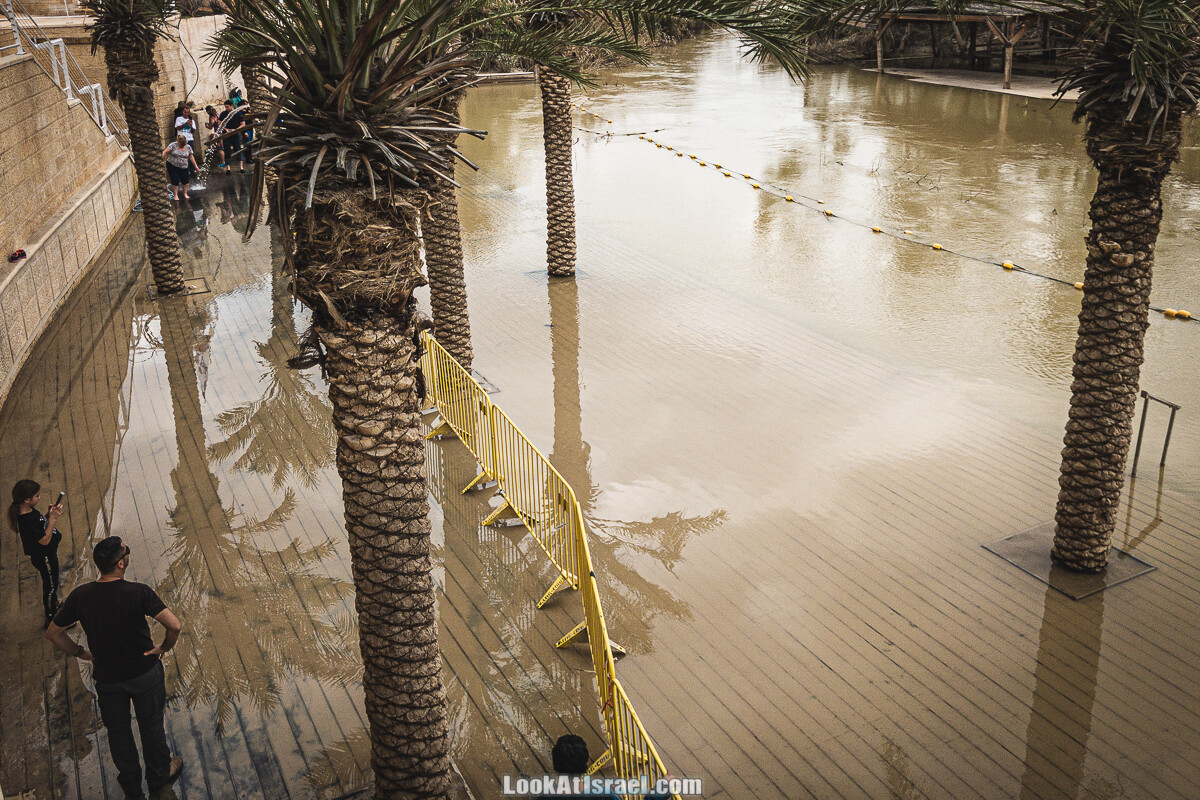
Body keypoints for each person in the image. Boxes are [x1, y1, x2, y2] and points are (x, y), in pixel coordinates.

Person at [45, 536, 184, 800]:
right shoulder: (139, 592)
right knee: (152, 726)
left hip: (108, 679)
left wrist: (81, 653)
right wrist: (163, 648)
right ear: (121, 564)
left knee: (119, 733)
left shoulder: (80, 596)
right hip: (145, 673)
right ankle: (159, 776)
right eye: (126, 552)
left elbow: (53, 633)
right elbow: (174, 625)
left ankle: (132, 788)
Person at [10, 479, 66, 627]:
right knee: (51, 585)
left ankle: (53, 604)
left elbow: (41, 525)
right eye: (37, 496)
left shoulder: (29, 510)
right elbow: (44, 539)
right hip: (44, 557)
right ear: (27, 500)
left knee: (52, 582)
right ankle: (51, 617)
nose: (39, 498)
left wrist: (48, 514)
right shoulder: (25, 520)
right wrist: (53, 519)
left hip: (48, 554)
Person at [162, 135, 198, 200]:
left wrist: (196, 166)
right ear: (178, 142)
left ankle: (185, 193)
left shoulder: (188, 147)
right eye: (181, 144)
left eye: (183, 144)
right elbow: (165, 152)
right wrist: (161, 158)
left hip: (184, 167)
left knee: (185, 180)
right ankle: (175, 195)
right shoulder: (173, 145)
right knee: (175, 180)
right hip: (172, 165)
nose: (182, 145)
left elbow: (191, 156)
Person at [218, 99, 247, 173]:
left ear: (232, 106)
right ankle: (228, 168)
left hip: (235, 134)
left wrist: (236, 130)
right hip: (226, 134)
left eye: (227, 107)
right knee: (227, 151)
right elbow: (219, 122)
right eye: (225, 107)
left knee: (238, 150)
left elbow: (243, 124)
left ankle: (241, 167)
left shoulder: (238, 113)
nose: (226, 108)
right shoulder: (223, 114)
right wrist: (225, 129)